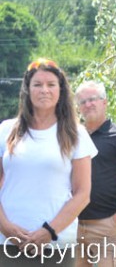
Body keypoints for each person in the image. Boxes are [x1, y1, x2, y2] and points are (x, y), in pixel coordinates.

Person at [0, 58, 97, 266]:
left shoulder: (76, 134)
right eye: (37, 84)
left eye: (51, 84)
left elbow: (82, 194)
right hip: (7, 244)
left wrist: (49, 231)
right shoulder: (6, 131)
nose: (44, 90)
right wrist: (5, 227)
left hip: (56, 246)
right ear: (27, 90)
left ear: (60, 90)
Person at [74, 81, 116, 267]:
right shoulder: (74, 137)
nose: (88, 104)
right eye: (83, 102)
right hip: (73, 224)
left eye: (92, 99)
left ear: (104, 102)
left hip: (106, 224)